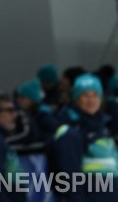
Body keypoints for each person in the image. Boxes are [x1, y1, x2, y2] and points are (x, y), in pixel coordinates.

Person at [48, 73, 117, 201]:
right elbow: (69, 177)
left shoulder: (103, 126)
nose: (91, 100)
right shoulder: (70, 131)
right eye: (85, 95)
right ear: (76, 99)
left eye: (95, 95)